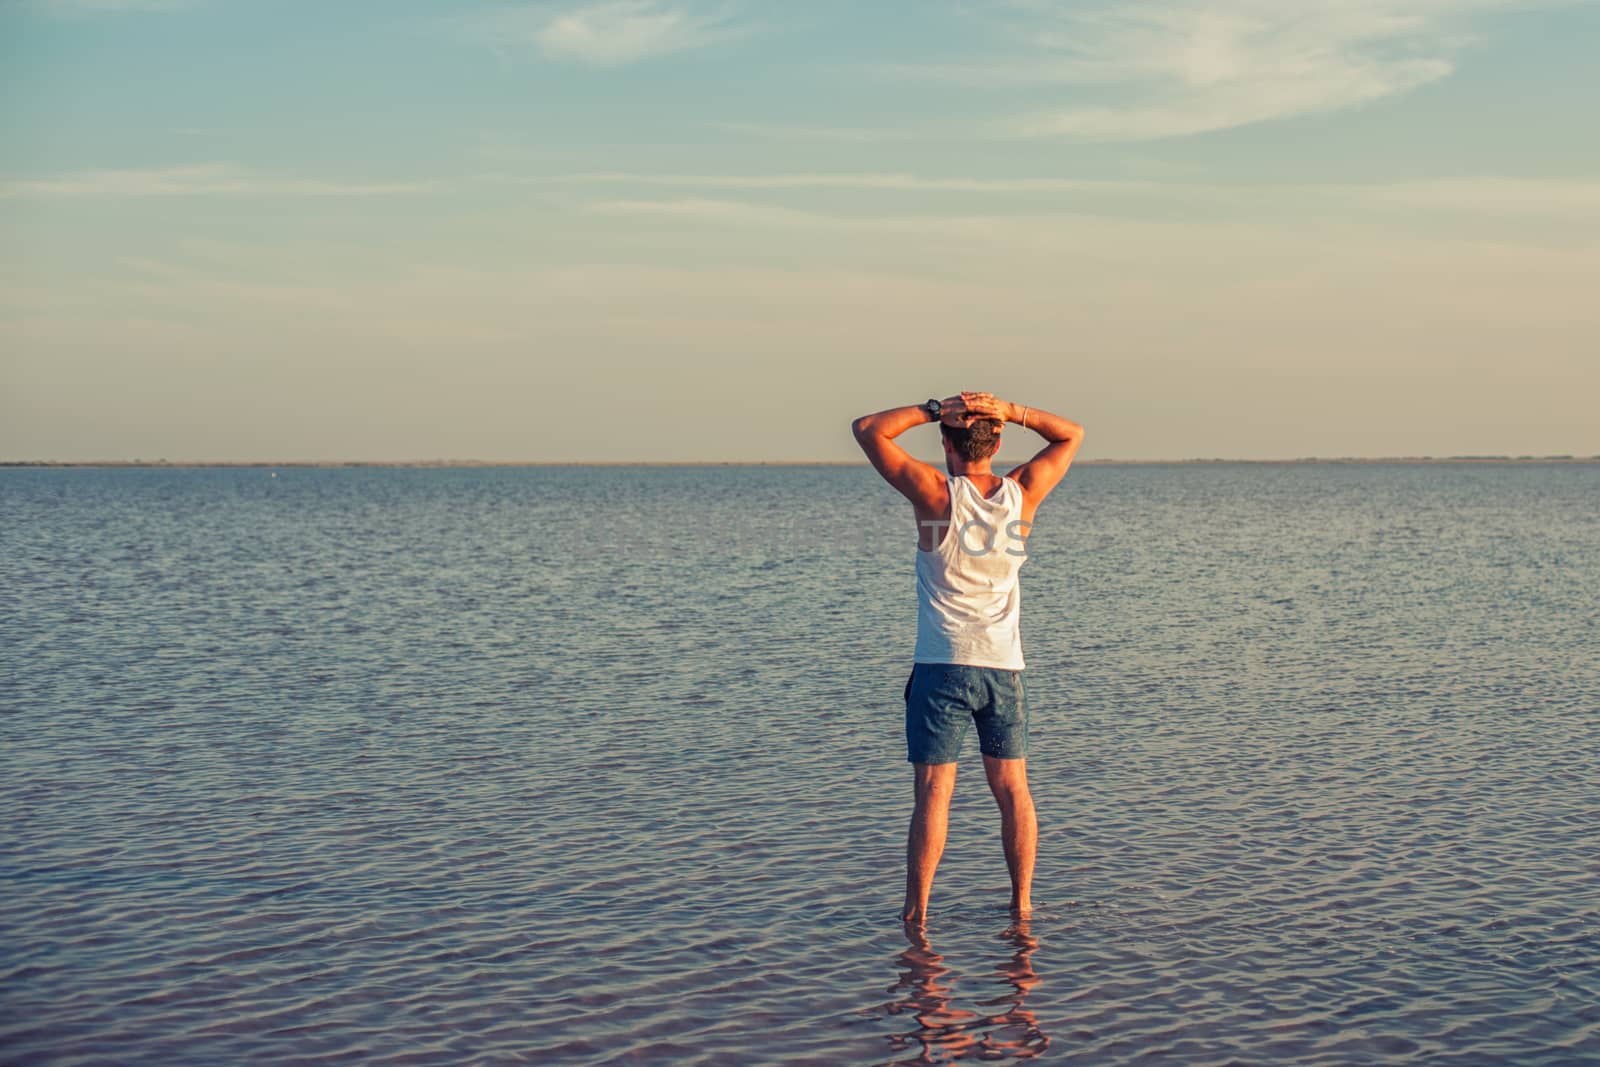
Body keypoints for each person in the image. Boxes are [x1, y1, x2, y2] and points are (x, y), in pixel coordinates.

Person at [851, 391, 1084, 925]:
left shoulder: (934, 493)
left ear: (945, 443)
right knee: (1013, 790)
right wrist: (1013, 410)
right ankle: (1022, 906)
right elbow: (1071, 433)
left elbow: (869, 429)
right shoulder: (1022, 492)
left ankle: (917, 914)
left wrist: (936, 407)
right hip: (1004, 668)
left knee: (934, 793)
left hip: (943, 666)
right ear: (997, 440)